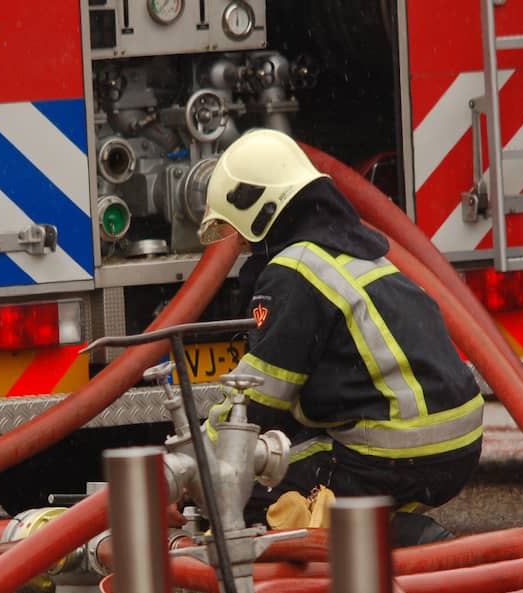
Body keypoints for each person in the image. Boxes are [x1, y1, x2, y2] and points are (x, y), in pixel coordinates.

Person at [197, 129, 483, 547]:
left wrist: (196, 464)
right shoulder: (351, 251)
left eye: (238, 228)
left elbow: (258, 400)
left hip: (399, 453)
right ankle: (378, 523)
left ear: (260, 207)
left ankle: (394, 539)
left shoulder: (294, 270)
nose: (239, 242)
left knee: (245, 487)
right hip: (456, 448)